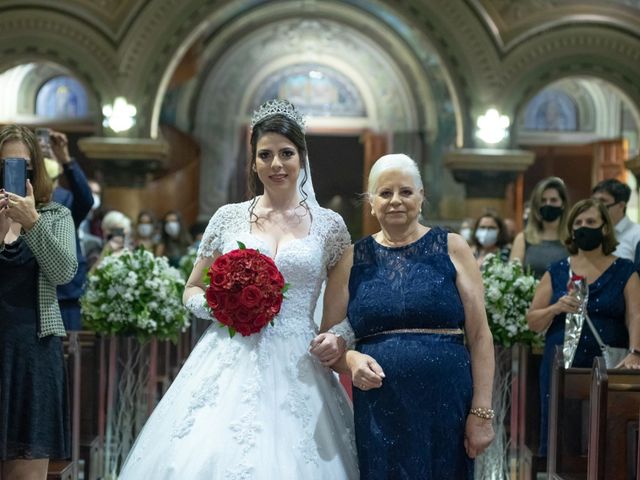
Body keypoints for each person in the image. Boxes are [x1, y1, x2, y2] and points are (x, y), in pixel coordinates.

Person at [118, 99, 358, 479]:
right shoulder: (229, 217)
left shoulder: (330, 227)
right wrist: (222, 307)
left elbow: (336, 320)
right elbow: (192, 289)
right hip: (231, 351)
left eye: (286, 153)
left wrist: (338, 339)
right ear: (253, 160)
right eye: (265, 155)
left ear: (301, 157)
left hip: (300, 359)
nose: (276, 164)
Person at [312, 154, 495, 478]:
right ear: (371, 202)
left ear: (421, 196)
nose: (396, 201)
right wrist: (351, 359)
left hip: (447, 399)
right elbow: (329, 346)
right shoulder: (351, 259)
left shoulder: (452, 247)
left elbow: (480, 335)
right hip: (380, 406)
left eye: (406, 192)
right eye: (385, 193)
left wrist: (481, 413)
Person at [526, 198, 640, 457]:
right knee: (563, 433)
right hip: (562, 364)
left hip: (608, 364)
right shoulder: (557, 270)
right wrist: (556, 307)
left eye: (590, 221)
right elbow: (533, 320)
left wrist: (636, 352)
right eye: (577, 223)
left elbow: (636, 314)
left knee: (607, 435)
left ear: (604, 229)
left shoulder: (625, 270)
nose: (583, 227)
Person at [0, 125, 77, 479]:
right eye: (5, 165)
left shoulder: (54, 215)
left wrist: (31, 223)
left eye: (22, 166)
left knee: (27, 471)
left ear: (35, 169)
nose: (13, 173)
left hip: (34, 355)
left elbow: (63, 272)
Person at [45, 129, 94, 331]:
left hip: (65, 294)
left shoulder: (64, 198)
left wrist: (65, 159)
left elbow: (86, 199)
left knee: (70, 355)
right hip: (28, 292)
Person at [510, 176, 569, 278]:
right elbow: (512, 276)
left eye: (553, 200)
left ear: (563, 204)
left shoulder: (572, 239)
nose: (548, 204)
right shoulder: (523, 239)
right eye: (543, 200)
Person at [592, 178, 640, 269]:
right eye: (594, 200)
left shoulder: (637, 235)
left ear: (621, 205)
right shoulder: (592, 232)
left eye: (603, 201)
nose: (596, 205)